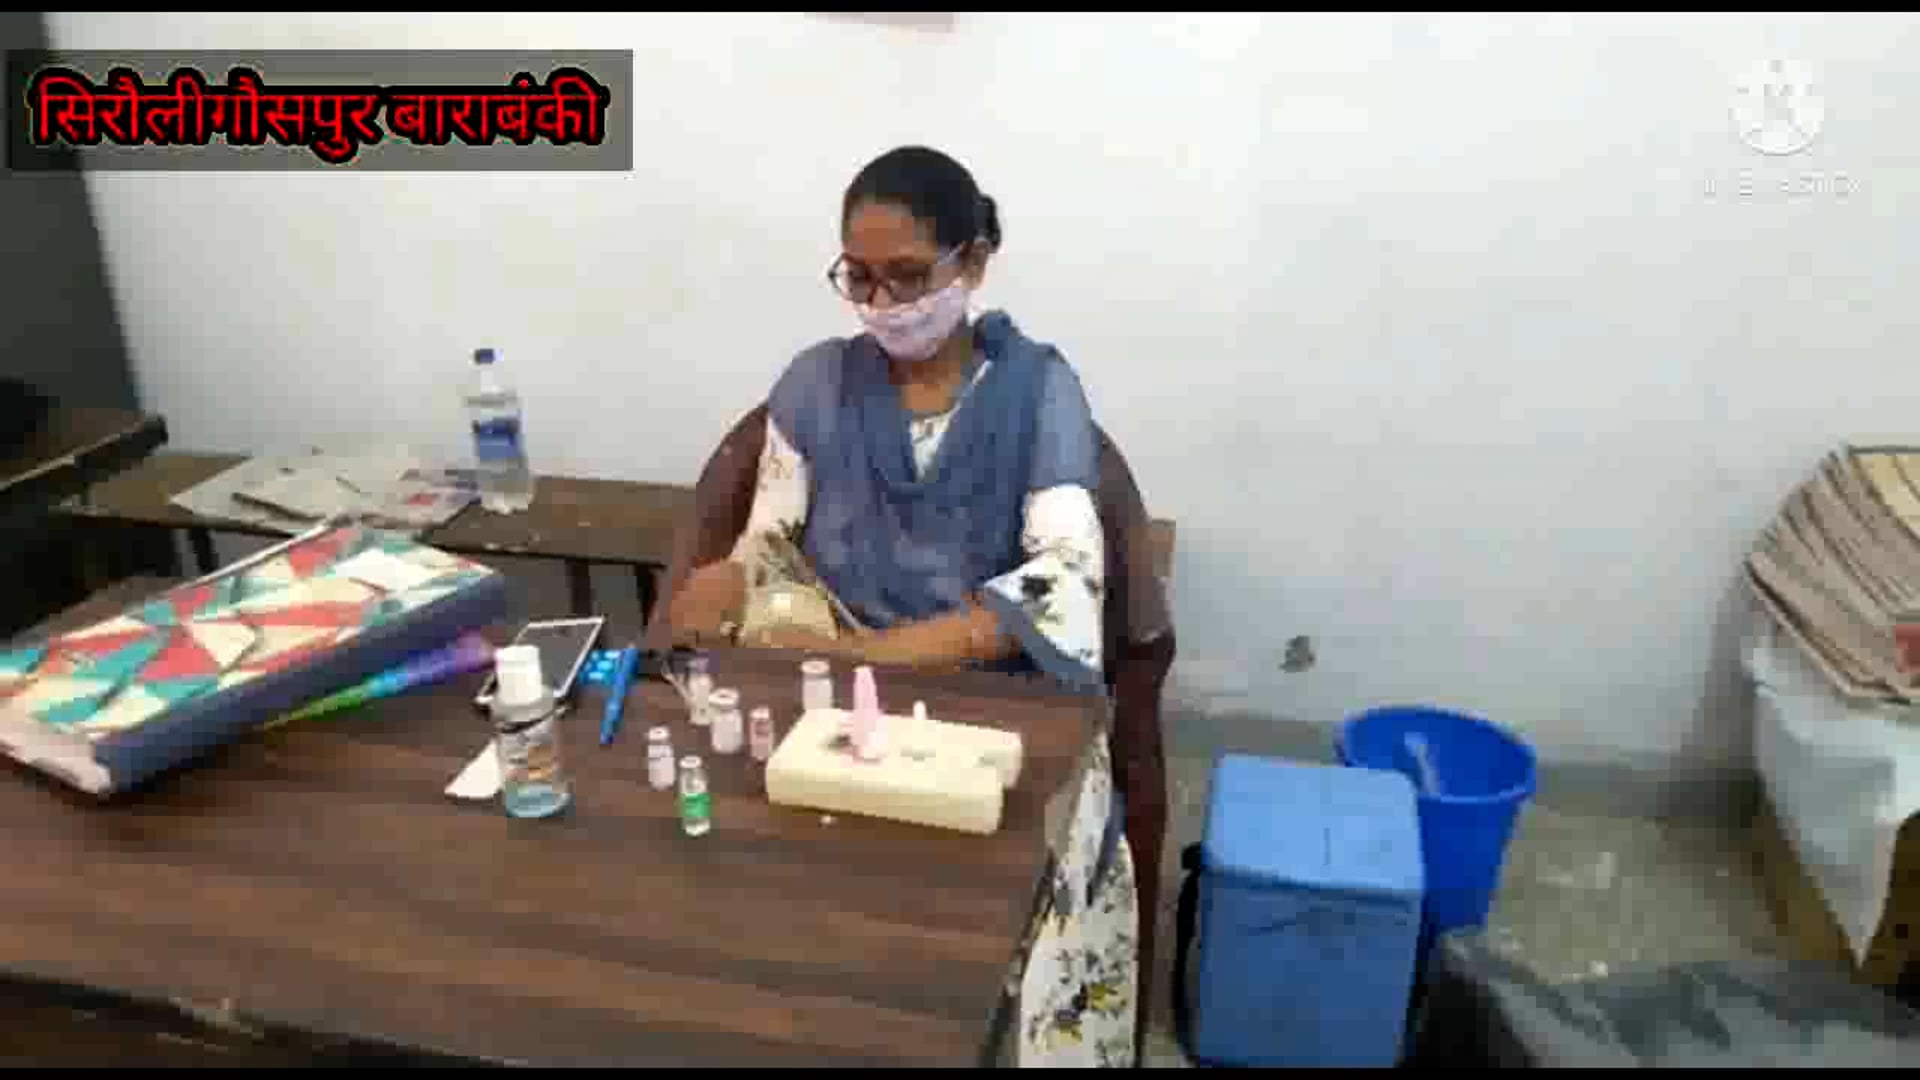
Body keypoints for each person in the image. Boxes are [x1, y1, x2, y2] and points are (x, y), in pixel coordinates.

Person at [664, 146, 1140, 1067]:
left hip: (997, 694)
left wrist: (868, 659)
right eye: (860, 278)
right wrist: (729, 576)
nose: (884, 303)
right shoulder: (817, 382)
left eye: (910, 276)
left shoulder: (1039, 391)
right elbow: (770, 538)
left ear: (975, 261)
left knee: (1007, 915)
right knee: (760, 883)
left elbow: (1062, 584)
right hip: (835, 680)